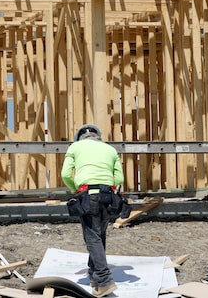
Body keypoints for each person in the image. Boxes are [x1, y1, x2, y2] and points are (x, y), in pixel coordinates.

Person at [61, 124, 125, 297]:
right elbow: (119, 178)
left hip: (88, 195)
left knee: (92, 237)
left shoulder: (75, 147)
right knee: (100, 234)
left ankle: (105, 280)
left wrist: (76, 189)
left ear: (80, 138)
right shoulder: (110, 149)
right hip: (108, 196)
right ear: (98, 136)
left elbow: (66, 174)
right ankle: (95, 274)